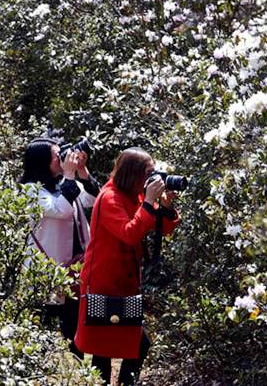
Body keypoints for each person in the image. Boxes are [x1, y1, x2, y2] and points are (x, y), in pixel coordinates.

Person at [74, 147, 181, 385]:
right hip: (104, 281)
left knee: (135, 343)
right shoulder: (109, 197)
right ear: (133, 174)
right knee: (105, 349)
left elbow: (166, 228)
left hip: (126, 282)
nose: (153, 178)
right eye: (149, 173)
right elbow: (129, 234)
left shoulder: (136, 196)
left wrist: (165, 206)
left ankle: (123, 382)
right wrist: (150, 202)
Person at [21, 136, 100, 357]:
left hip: (72, 272)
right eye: (58, 156)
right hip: (45, 273)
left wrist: (82, 171)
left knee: (73, 331)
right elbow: (61, 209)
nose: (63, 158)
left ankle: (80, 376)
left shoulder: (66, 183)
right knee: (39, 333)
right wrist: (69, 174)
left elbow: (94, 199)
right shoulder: (30, 191)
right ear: (41, 162)